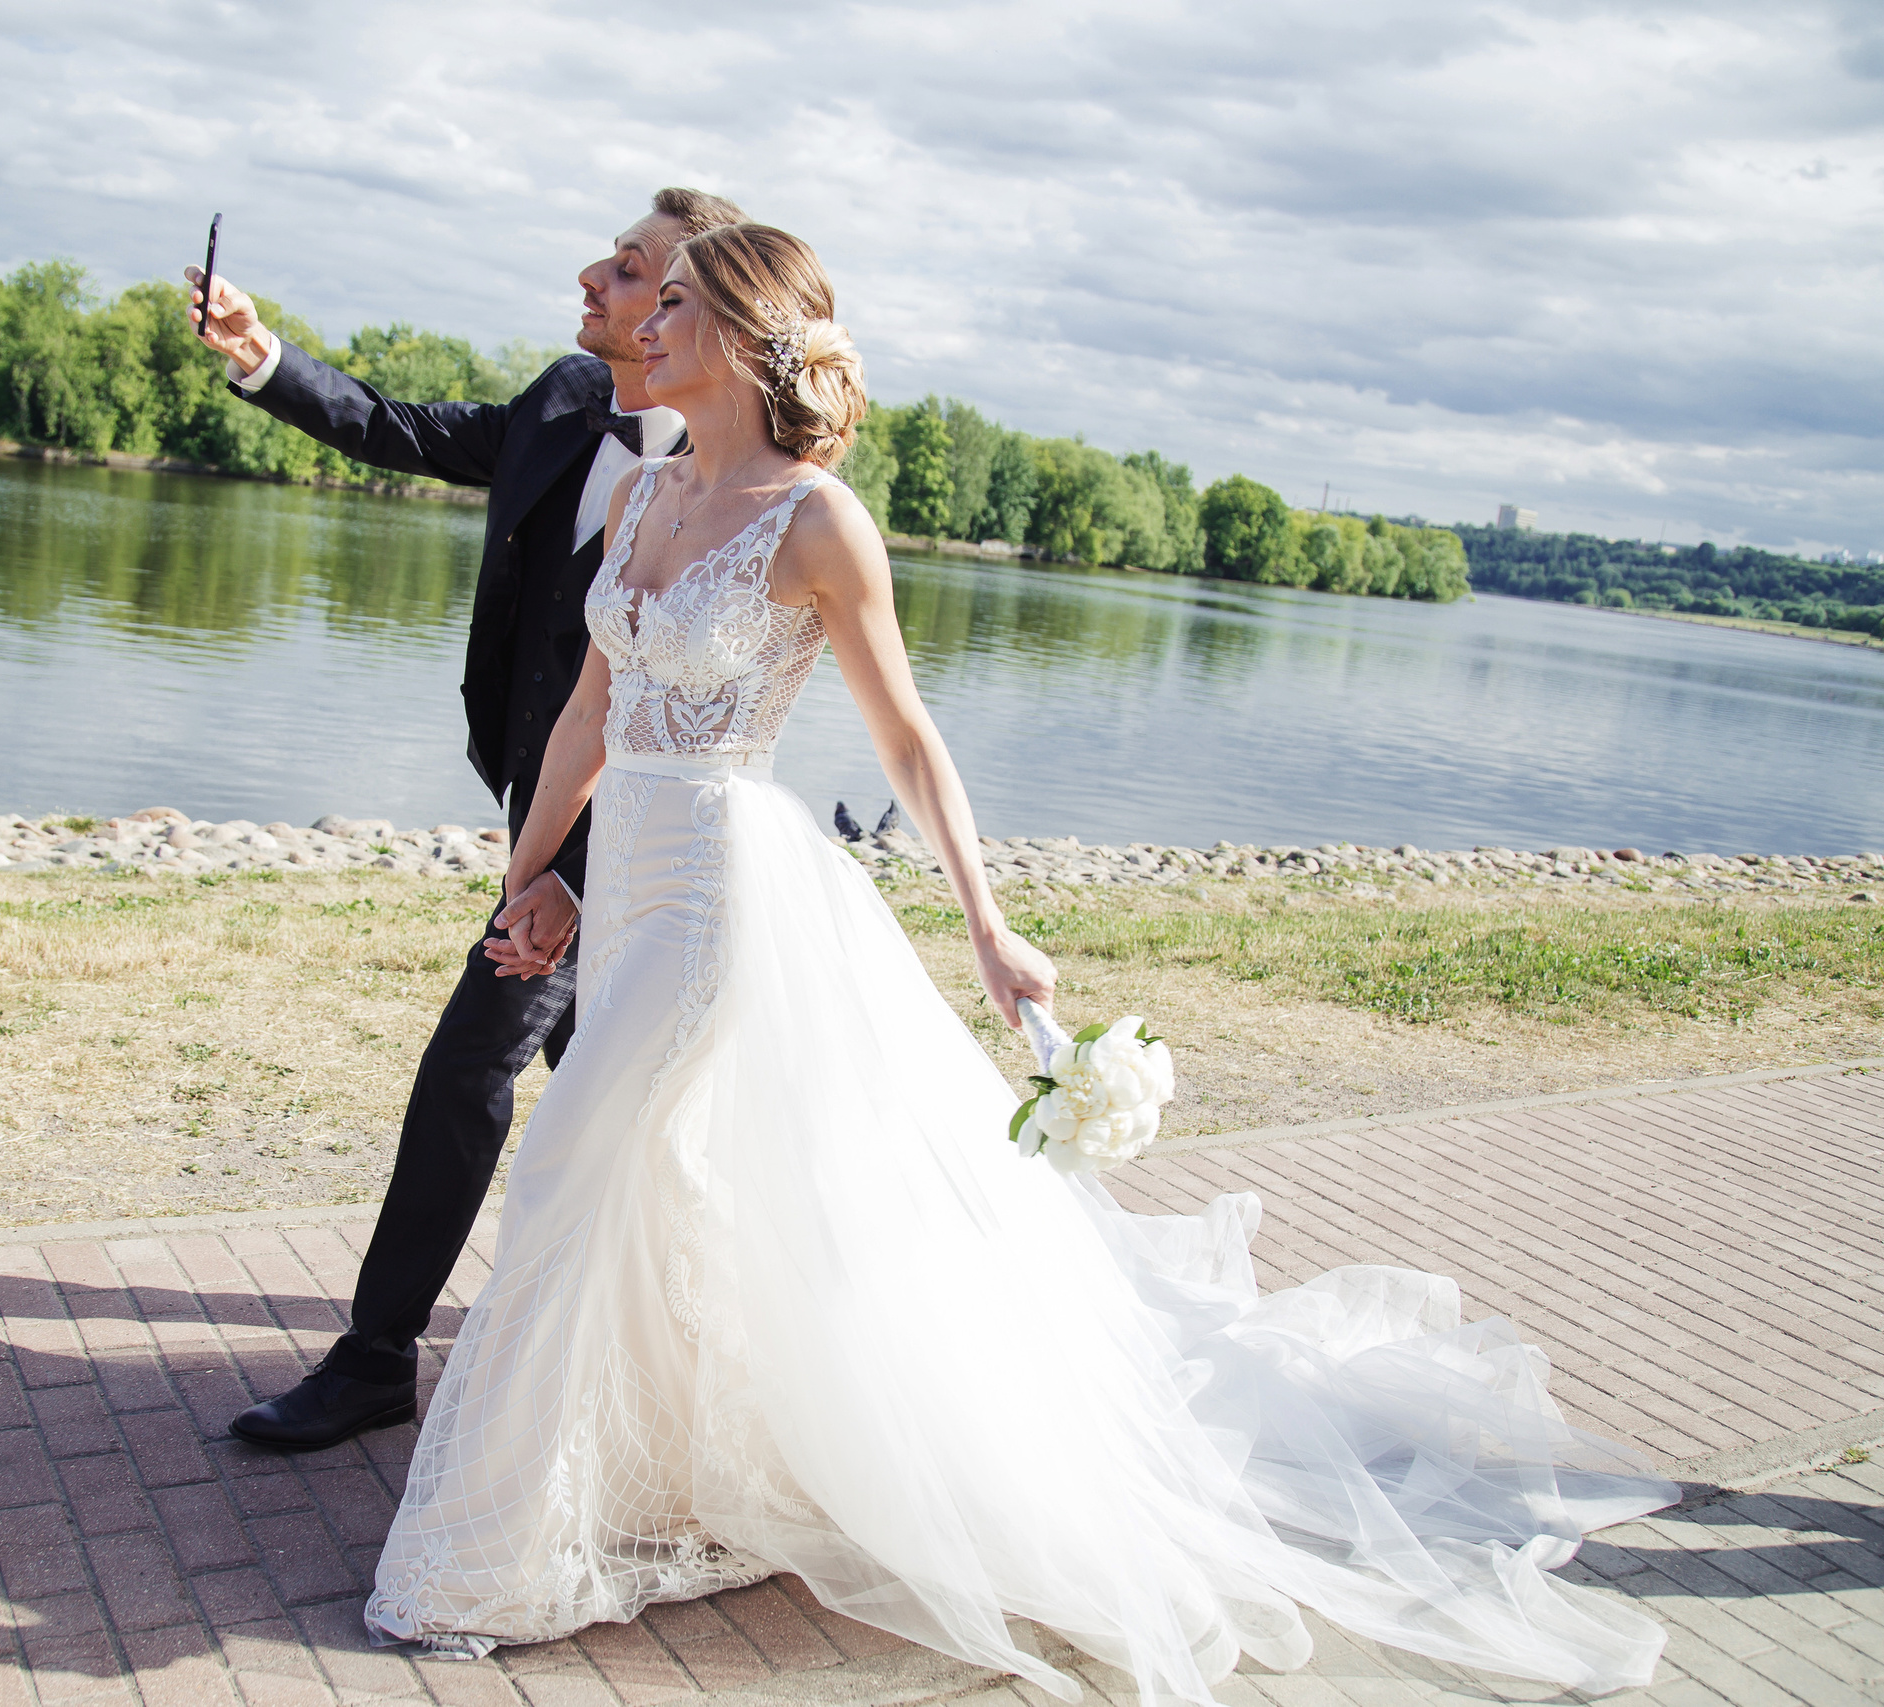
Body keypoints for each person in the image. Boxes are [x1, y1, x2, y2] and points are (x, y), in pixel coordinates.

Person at [358, 223, 1678, 1704]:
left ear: (745, 336)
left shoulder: (814, 521)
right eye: (647, 299)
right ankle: (672, 1474)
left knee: (584, 1158)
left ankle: (496, 1546)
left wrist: (988, 925)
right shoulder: (655, 487)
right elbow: (589, 715)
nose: (644, 323)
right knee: (664, 1187)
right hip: (633, 888)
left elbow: (909, 736)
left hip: (730, 894)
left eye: (673, 303)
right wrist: (530, 878)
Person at [187, 188, 747, 1450]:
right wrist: (263, 359)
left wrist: (561, 877)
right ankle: (659, 1342)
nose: (593, 280)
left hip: (643, 837)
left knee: (467, 1073)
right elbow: (401, 427)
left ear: (690, 307)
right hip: (537, 806)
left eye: (628, 269)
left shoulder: (740, 472)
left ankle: (379, 1357)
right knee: (619, 1103)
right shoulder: (559, 404)